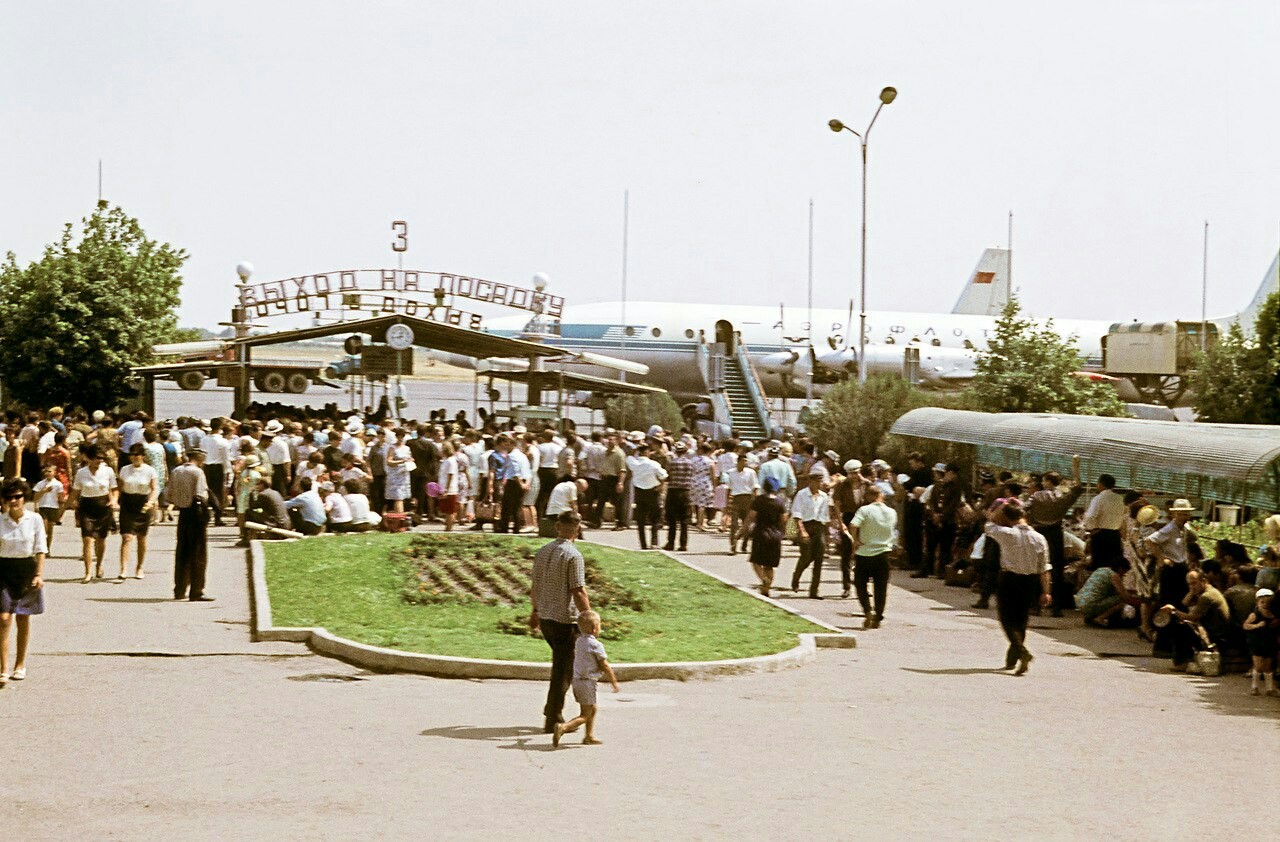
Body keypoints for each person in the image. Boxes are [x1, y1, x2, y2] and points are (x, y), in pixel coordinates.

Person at [529, 511, 592, 734]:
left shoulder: (543, 551)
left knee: (561, 666)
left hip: (546, 616)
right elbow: (578, 590)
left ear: (557, 526)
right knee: (563, 670)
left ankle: (551, 709)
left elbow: (535, 585)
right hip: (565, 620)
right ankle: (553, 716)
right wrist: (589, 617)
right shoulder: (573, 555)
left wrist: (534, 611)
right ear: (578, 528)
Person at [984, 501, 1053, 675]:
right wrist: (1046, 591)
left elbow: (989, 525)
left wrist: (1000, 508)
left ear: (1007, 518)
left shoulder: (1006, 533)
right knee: (1021, 620)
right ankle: (1012, 658)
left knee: (1006, 618)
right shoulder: (1039, 538)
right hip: (1030, 582)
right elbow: (1044, 569)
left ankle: (1021, 651)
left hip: (1009, 579)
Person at [0, 478, 47, 686]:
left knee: (23, 617)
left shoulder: (34, 519)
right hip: (3, 570)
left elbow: (40, 548)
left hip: (27, 570)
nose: (14, 501)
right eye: (9, 497)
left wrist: (39, 574)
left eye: (18, 497)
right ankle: (3, 668)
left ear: (25, 498)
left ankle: (20, 664)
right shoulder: (1, 520)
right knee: (3, 618)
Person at [552, 609, 620, 748]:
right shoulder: (596, 645)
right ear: (595, 628)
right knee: (585, 714)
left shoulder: (579, 641)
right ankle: (563, 728)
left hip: (577, 680)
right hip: (587, 683)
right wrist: (613, 681)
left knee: (592, 709)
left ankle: (588, 736)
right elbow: (604, 665)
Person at [1026, 470, 1084, 616]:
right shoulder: (1063, 497)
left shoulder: (1036, 496)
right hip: (1056, 534)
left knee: (1037, 568)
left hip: (1038, 532)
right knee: (1057, 571)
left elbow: (1024, 507)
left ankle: (1034, 605)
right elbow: (1077, 491)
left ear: (1047, 482)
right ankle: (1056, 608)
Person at [1163, 569, 1232, 673]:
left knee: (1178, 627)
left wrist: (1173, 611)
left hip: (1216, 636)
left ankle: (1183, 662)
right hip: (1213, 631)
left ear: (1204, 581)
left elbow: (1192, 617)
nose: (1192, 586)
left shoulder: (1207, 596)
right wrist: (1192, 591)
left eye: (1194, 583)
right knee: (1181, 623)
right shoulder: (1208, 591)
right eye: (1189, 584)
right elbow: (1184, 603)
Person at [850, 485, 898, 628]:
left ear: (869, 497)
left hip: (864, 552)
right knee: (881, 587)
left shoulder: (864, 510)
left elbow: (853, 525)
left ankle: (867, 610)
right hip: (884, 553)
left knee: (860, 584)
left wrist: (855, 540)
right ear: (881, 496)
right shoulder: (892, 512)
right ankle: (878, 616)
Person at [69, 444, 118, 583]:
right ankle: (88, 572)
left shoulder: (108, 471)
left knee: (101, 540)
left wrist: (114, 500)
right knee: (87, 539)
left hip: (103, 506)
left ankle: (99, 564)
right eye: (97, 458)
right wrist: (66, 507)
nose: (99, 461)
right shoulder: (81, 472)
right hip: (86, 507)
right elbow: (75, 491)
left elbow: (115, 489)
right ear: (89, 458)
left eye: (102, 459)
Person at [169, 450, 213, 602]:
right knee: (198, 553)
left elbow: (171, 495)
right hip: (196, 513)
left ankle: (179, 589)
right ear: (200, 459)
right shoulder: (198, 473)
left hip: (183, 513)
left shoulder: (176, 471)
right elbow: (201, 494)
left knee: (182, 552)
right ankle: (197, 590)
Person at [117, 444, 158, 581]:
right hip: (128, 503)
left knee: (141, 537)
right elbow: (120, 488)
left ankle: (139, 567)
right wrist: (115, 501)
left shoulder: (150, 471)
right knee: (126, 537)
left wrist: (151, 502)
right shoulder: (124, 470)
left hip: (142, 503)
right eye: (132, 455)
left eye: (136, 455)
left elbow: (154, 489)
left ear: (143, 456)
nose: (134, 457)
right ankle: (123, 568)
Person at [790, 468, 833, 599]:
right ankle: (796, 576)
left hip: (818, 526)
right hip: (806, 525)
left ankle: (814, 591)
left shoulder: (824, 496)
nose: (820, 484)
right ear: (811, 481)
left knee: (819, 558)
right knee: (806, 557)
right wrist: (802, 531)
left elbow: (825, 516)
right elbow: (797, 514)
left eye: (821, 481)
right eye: (817, 481)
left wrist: (827, 535)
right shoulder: (802, 494)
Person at [626, 443, 667, 550]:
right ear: (646, 452)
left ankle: (643, 544)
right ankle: (654, 542)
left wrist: (635, 449)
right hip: (652, 491)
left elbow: (629, 457)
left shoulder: (633, 463)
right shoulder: (653, 464)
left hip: (639, 492)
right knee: (655, 518)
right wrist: (661, 485)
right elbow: (664, 475)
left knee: (641, 520)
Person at [1242, 588, 1278, 696]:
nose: (1265, 605)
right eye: (1262, 602)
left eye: (1268, 602)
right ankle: (1254, 687)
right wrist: (1257, 626)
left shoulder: (1273, 615)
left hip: (1269, 642)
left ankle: (1269, 689)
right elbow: (1245, 625)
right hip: (1257, 642)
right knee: (1258, 666)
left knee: (1268, 666)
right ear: (1257, 602)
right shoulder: (1255, 615)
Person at [723, 452, 759, 555]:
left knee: (746, 524)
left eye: (746, 461)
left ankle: (744, 544)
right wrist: (727, 503)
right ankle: (733, 546)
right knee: (734, 524)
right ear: (738, 462)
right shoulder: (731, 473)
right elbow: (729, 488)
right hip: (736, 499)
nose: (745, 463)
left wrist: (756, 501)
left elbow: (755, 487)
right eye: (743, 461)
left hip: (747, 498)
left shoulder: (751, 473)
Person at [663, 441, 695, 552]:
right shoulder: (690, 463)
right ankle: (683, 544)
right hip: (686, 491)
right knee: (684, 520)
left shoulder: (672, 463)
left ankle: (670, 543)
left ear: (676, 451)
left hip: (673, 491)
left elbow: (668, 476)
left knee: (672, 520)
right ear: (685, 451)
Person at [1080, 474, 1125, 542]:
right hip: (1116, 535)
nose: (1096, 484)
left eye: (1097, 482)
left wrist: (1088, 527)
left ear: (1101, 484)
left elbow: (1090, 517)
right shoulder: (1120, 499)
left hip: (1100, 534)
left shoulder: (1098, 499)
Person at [32, 464, 64, 560]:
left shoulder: (58, 484)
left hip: (53, 507)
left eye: (50, 471)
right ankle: (41, 548)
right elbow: (35, 498)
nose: (48, 473)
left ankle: (48, 549)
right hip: (43, 507)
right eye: (46, 471)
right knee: (43, 529)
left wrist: (61, 511)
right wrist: (44, 491)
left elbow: (61, 498)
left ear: (54, 472)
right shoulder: (40, 484)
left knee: (50, 530)